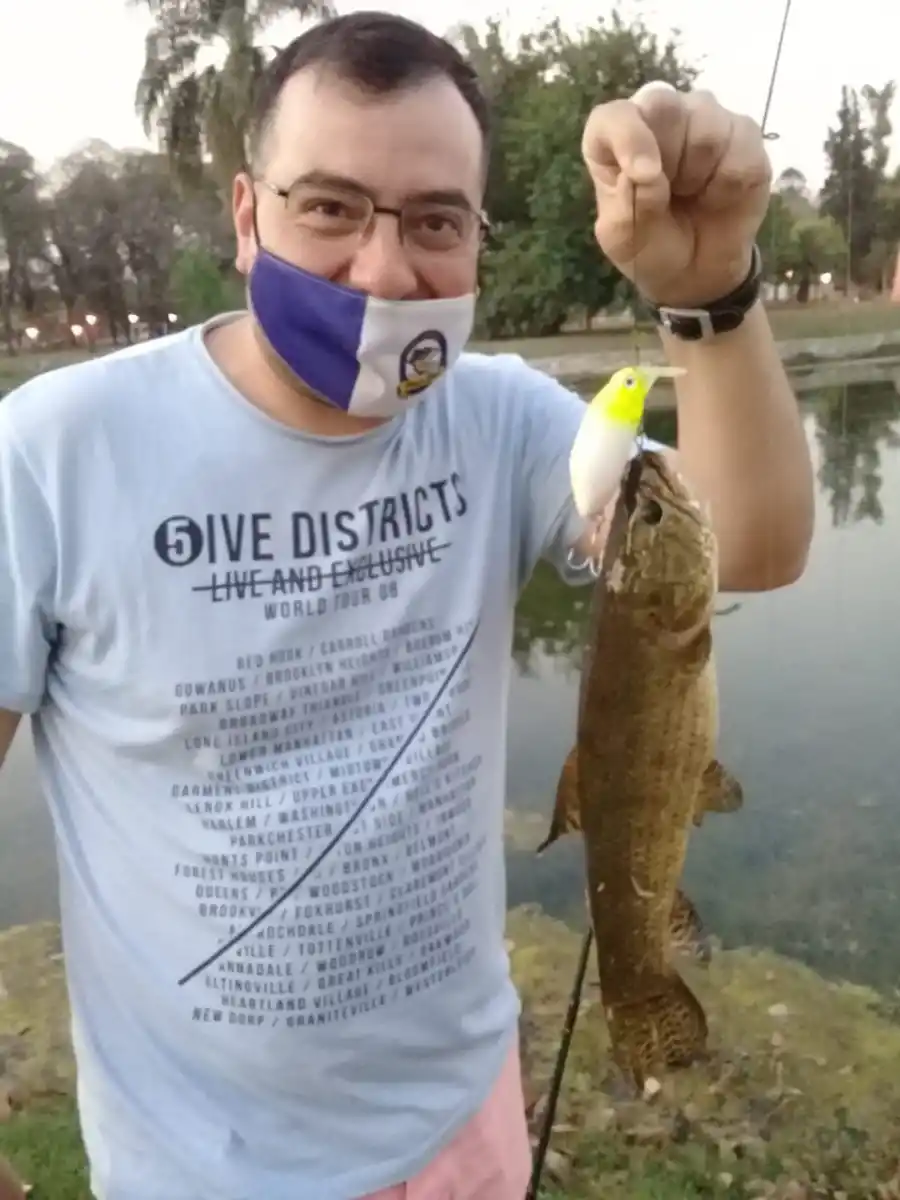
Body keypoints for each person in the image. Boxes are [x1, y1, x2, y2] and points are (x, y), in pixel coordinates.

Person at [0, 11, 813, 1200]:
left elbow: (749, 546)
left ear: (479, 238)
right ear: (245, 216)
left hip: (462, 1124)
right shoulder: (52, 454)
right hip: (194, 1167)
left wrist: (710, 293)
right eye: (329, 206)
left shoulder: (497, 420)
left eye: (436, 221)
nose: (384, 272)